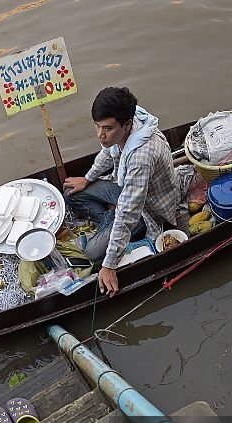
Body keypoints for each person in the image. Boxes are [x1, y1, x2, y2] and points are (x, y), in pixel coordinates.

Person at [64, 86, 179, 296]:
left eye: (107, 129)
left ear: (126, 125)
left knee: (92, 253)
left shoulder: (140, 157)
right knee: (72, 193)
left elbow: (128, 213)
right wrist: (87, 179)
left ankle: (112, 225)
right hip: (124, 190)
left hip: (146, 210)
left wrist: (109, 265)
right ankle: (110, 219)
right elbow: (107, 154)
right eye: (97, 127)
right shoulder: (126, 125)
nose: (100, 135)